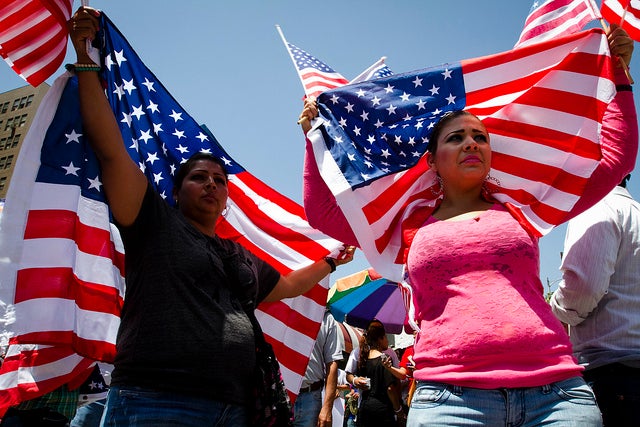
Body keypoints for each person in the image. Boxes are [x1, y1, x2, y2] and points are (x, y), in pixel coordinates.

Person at [298, 25, 637, 426]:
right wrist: (314, 139)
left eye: (480, 136)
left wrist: (619, 76)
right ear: (432, 161)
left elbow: (616, 159)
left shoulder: (523, 208)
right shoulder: (408, 224)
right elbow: (323, 214)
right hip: (449, 399)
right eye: (456, 138)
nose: (471, 143)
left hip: (556, 394)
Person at [68, 7, 355, 427]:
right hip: (157, 401)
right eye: (198, 177)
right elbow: (110, 145)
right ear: (176, 190)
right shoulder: (152, 222)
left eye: (219, 180)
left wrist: (331, 261)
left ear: (226, 200)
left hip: (236, 408)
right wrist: (85, 59)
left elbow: (290, 285)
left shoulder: (236, 255)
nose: (211, 184)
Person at [550, 174, 640, 426]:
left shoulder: (596, 209)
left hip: (612, 373)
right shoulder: (634, 211)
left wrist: (550, 312)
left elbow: (583, 291)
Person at [293, 310, 343, 427]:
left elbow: (332, 363)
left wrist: (327, 408)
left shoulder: (326, 318)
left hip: (311, 398)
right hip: (281, 396)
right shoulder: (281, 305)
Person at [352, 320, 404, 427]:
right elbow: (390, 389)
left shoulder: (363, 359)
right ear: (380, 339)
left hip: (364, 408)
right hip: (382, 410)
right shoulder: (383, 360)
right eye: (385, 337)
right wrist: (398, 410)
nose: (387, 341)